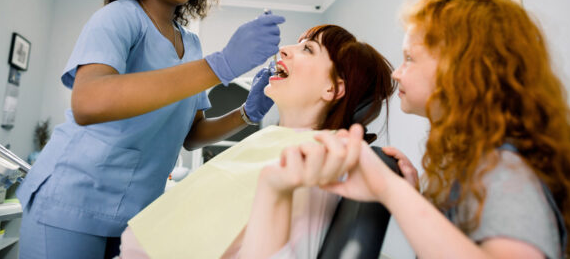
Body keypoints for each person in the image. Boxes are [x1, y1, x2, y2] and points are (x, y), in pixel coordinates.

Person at [16, 0, 285, 259]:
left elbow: (191, 134)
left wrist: (248, 113)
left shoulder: (192, 44)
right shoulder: (120, 17)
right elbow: (88, 102)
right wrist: (222, 65)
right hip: (71, 197)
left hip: (134, 214)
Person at [272, 0, 570, 259]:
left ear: (460, 71)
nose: (397, 74)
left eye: (410, 58)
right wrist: (414, 200)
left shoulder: (503, 169)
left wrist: (388, 189)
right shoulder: (472, 167)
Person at [119, 24, 397, 258]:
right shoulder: (278, 139)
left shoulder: (317, 161)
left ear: (333, 88)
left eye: (308, 49)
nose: (284, 49)